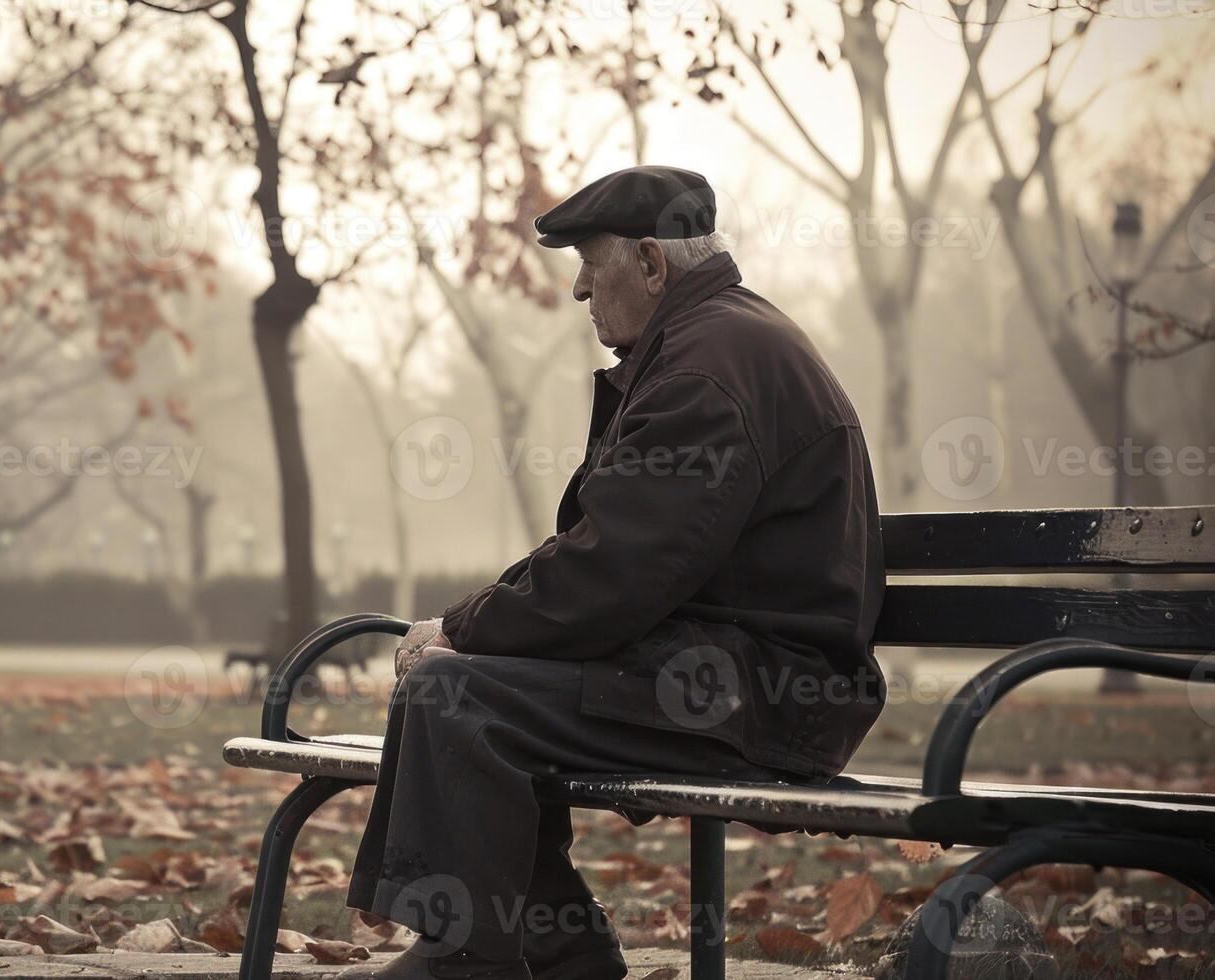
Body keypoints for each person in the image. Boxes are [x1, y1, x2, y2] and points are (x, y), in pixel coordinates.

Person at [341, 167, 887, 980]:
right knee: (458, 686)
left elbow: (613, 575)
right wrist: (471, 628)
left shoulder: (707, 368)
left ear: (650, 263)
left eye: (591, 271)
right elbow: (614, 546)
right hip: (724, 669)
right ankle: (553, 945)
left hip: (764, 695)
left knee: (452, 692)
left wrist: (460, 630)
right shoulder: (710, 343)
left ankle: (470, 958)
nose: (576, 292)